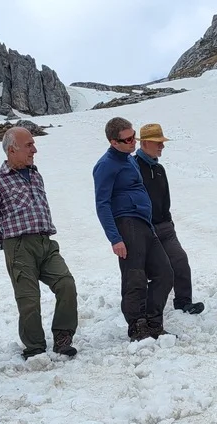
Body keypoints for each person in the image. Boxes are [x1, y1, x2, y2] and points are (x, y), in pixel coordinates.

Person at [0, 126, 79, 358]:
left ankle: (63, 337)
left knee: (66, 284)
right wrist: (5, 243)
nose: (34, 149)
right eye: (29, 145)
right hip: (19, 245)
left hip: (46, 242)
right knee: (28, 298)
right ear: (12, 150)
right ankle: (34, 347)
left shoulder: (36, 175)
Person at [94, 116, 174, 341]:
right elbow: (102, 203)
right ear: (113, 142)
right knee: (135, 276)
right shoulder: (106, 165)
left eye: (133, 137)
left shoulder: (129, 160)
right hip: (127, 223)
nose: (133, 142)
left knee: (165, 273)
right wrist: (115, 238)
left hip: (145, 224)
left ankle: (154, 322)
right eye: (127, 139)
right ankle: (137, 327)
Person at [133, 123, 204, 315]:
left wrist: (169, 221)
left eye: (162, 143)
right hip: (145, 230)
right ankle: (144, 309)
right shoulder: (132, 167)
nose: (162, 146)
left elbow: (165, 199)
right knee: (155, 270)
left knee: (180, 260)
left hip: (165, 227)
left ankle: (183, 302)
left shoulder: (159, 169)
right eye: (158, 143)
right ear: (145, 143)